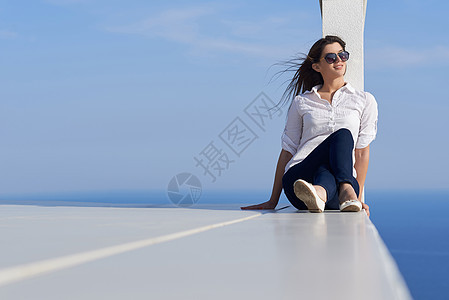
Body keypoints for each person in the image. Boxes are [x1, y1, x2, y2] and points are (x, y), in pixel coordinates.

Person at [241, 35, 378, 217]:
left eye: (342, 55)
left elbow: (361, 152)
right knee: (342, 135)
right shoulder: (302, 102)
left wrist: (359, 198)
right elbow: (288, 150)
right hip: (299, 182)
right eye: (331, 58)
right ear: (317, 66)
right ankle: (340, 191)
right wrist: (273, 200)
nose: (338, 60)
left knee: (337, 150)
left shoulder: (364, 100)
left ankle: (322, 193)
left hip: (334, 193)